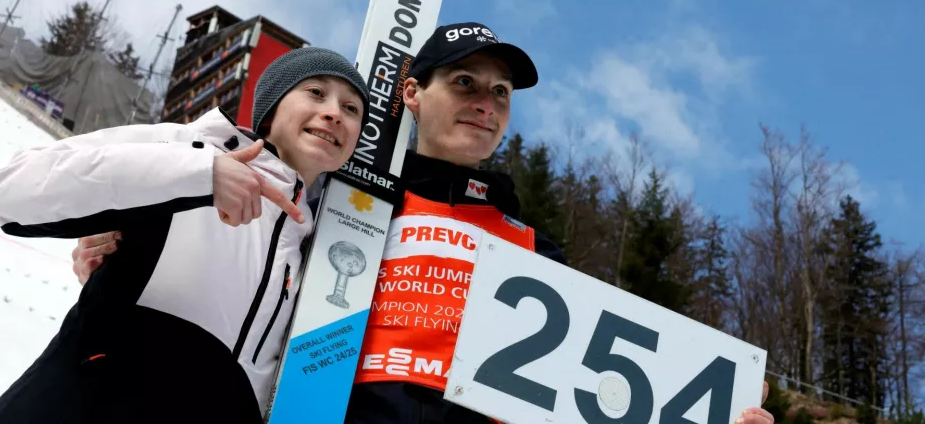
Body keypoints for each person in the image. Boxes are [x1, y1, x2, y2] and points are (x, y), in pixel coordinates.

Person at [71, 23, 775, 424]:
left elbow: (593, 397)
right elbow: (249, 259)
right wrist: (134, 240)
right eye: (464, 83)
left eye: (500, 93)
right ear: (411, 93)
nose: (486, 103)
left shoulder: (537, 248)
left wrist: (714, 413)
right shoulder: (342, 198)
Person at [0, 47, 370, 424]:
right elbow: (15, 189)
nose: (334, 113)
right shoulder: (189, 147)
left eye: (351, 109)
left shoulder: (317, 256)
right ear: (271, 109)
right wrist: (199, 174)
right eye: (316, 93)